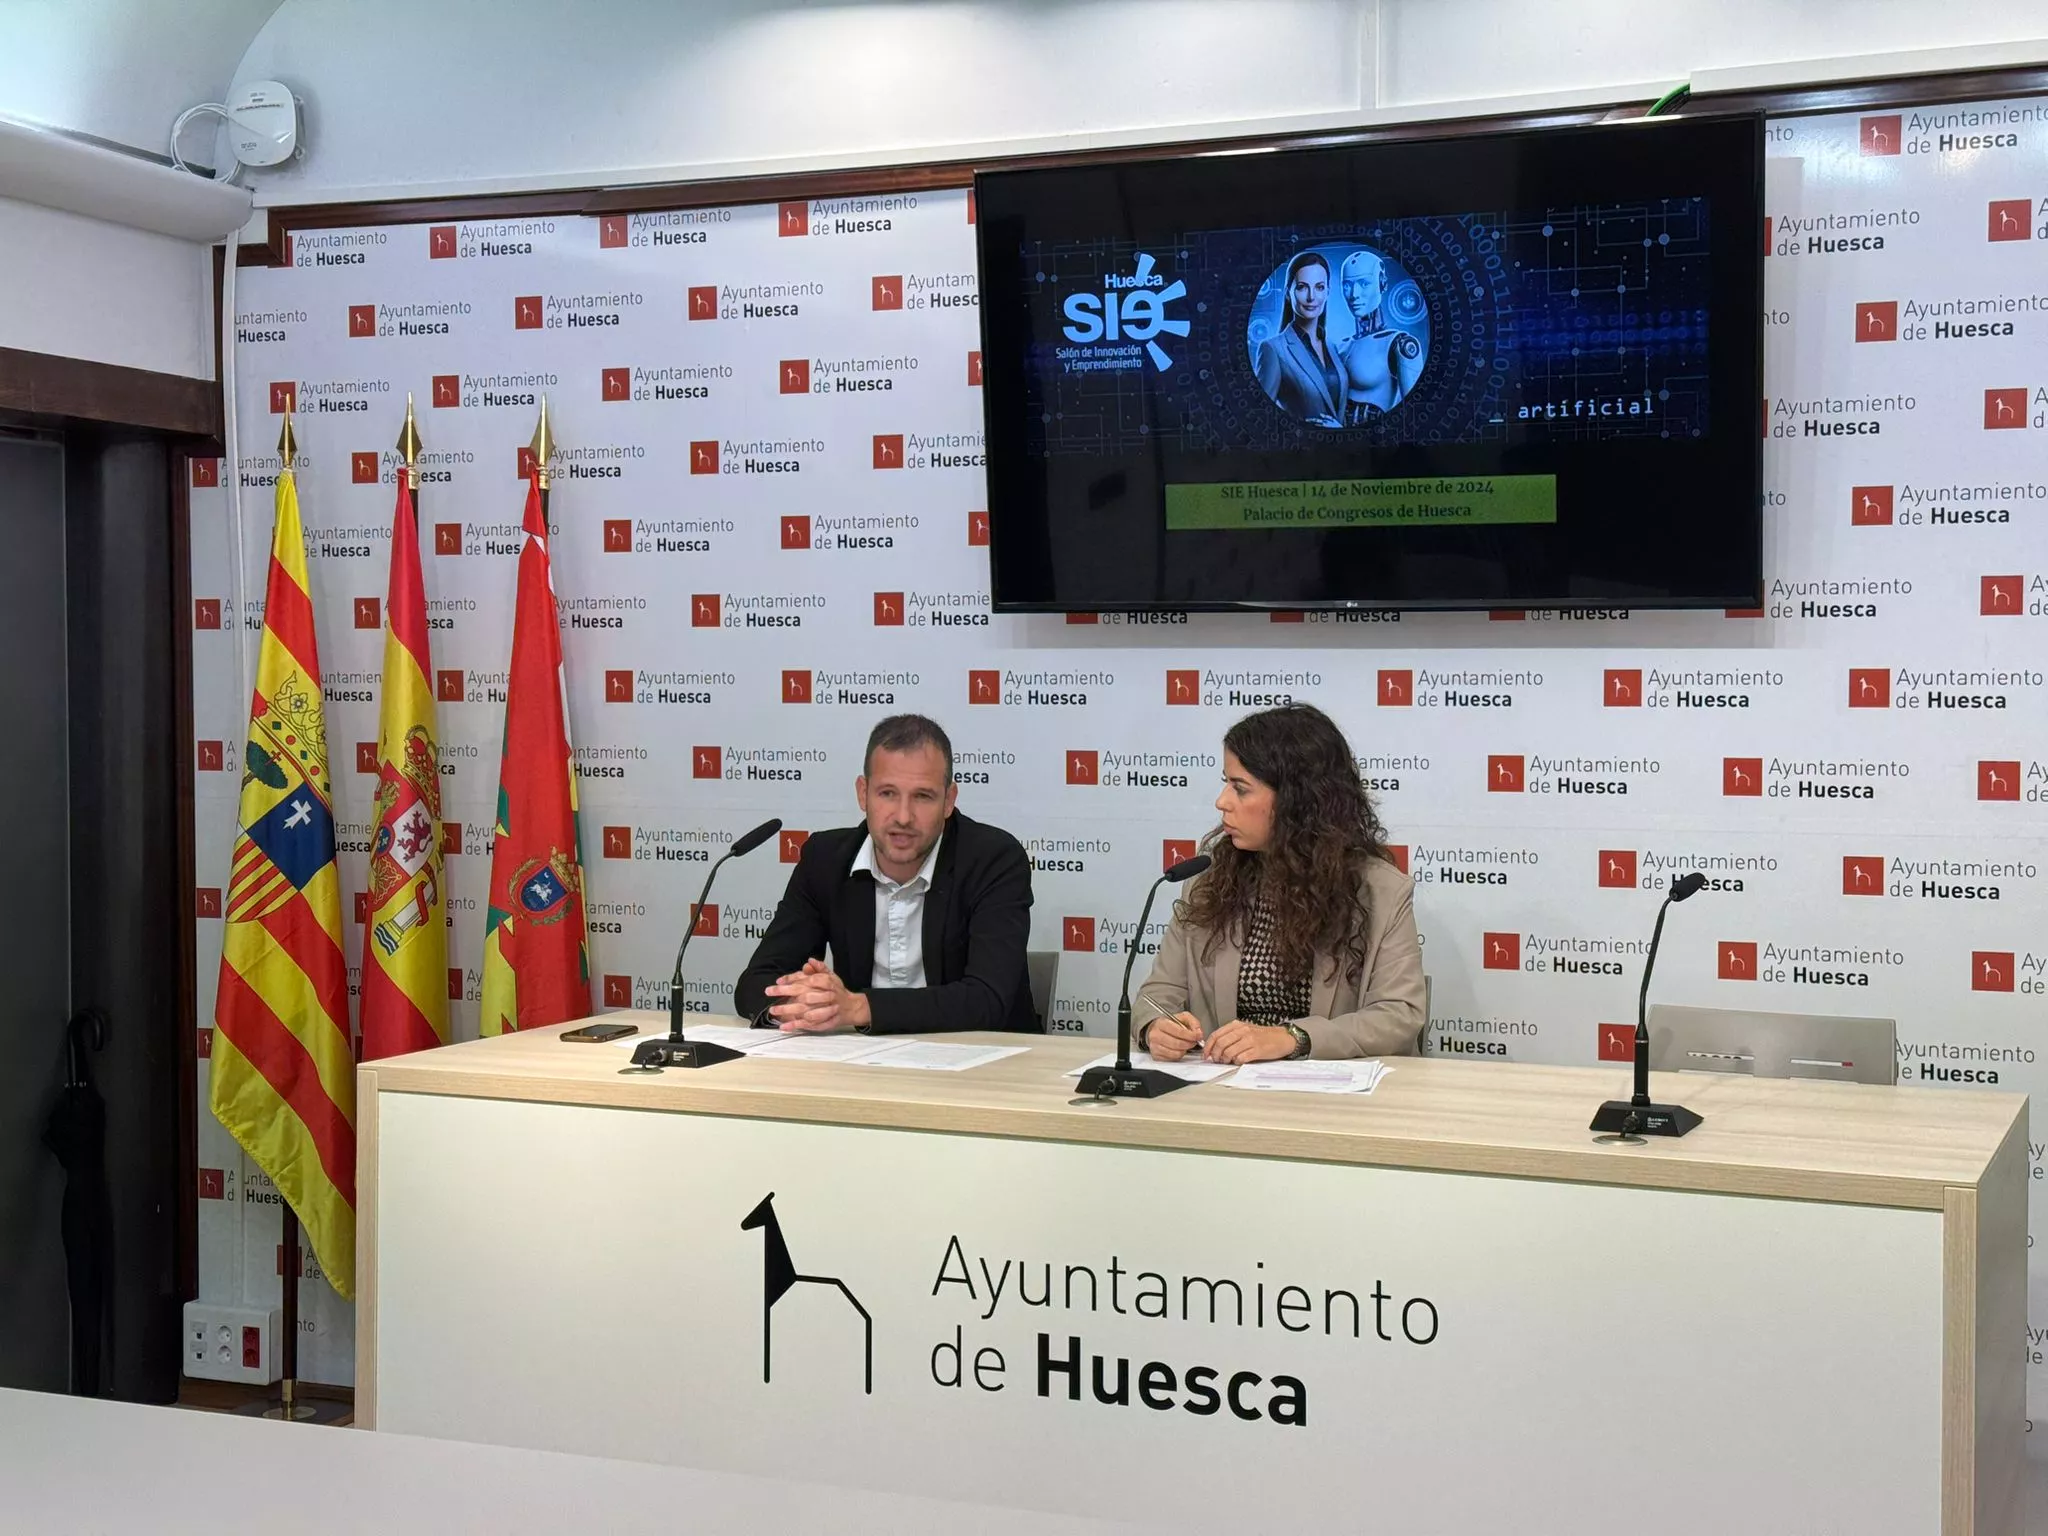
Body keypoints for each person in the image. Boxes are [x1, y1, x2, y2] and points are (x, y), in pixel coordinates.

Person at [1137, 703, 1425, 1064]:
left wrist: (1291, 1038)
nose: (1222, 801)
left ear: (1296, 801)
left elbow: (1399, 1016)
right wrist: (1156, 1029)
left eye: (1240, 788)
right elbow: (1159, 994)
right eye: (1225, 784)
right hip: (1223, 1095)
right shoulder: (1208, 884)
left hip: (1332, 1103)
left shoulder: (1380, 892)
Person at [735, 714, 1037, 1034]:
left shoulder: (993, 860)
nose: (903, 817)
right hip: (865, 1064)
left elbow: (986, 1000)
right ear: (862, 793)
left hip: (983, 1065)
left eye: (923, 796)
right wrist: (805, 1003)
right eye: (887, 793)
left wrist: (858, 1007)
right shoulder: (826, 859)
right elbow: (756, 982)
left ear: (949, 800)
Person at [1253, 252, 1345, 427]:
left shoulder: (1333, 347)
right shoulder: (1272, 349)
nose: (1311, 297)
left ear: (1328, 292)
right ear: (1288, 293)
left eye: (1319, 287)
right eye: (1302, 287)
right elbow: (1260, 418)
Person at [1337, 249, 1425, 423]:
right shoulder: (1340, 345)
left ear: (1382, 283)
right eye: (1347, 285)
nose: (1354, 294)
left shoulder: (1400, 344)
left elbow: (1416, 413)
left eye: (1364, 283)